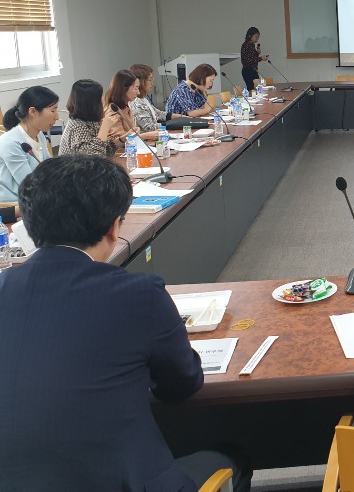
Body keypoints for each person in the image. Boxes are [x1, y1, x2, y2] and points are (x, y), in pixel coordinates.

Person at [0, 155, 251, 491]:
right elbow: (181, 385)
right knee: (232, 457)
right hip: (120, 481)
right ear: (113, 227)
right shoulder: (137, 293)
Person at [0, 86, 58, 203]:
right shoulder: (10, 142)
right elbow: (28, 185)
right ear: (32, 112)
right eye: (53, 110)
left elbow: (49, 167)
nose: (57, 117)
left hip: (38, 196)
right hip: (17, 203)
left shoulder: (39, 134)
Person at [59, 79, 124, 157]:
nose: (102, 100)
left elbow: (104, 150)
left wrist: (122, 139)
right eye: (100, 98)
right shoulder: (78, 127)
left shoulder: (90, 121)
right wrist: (104, 129)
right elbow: (92, 158)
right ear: (92, 102)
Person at [129, 63, 186, 133]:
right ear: (141, 82)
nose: (152, 83)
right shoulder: (137, 103)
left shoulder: (143, 99)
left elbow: (159, 114)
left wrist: (181, 117)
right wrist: (173, 124)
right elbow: (149, 127)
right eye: (150, 80)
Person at [104, 68, 151, 139]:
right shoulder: (112, 112)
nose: (138, 92)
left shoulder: (126, 107)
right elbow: (116, 142)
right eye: (136, 88)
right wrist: (146, 136)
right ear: (124, 89)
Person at [241, 26, 269, 91]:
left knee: (256, 89)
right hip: (248, 71)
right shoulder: (247, 45)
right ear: (250, 36)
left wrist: (257, 53)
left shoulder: (252, 45)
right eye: (256, 37)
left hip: (252, 70)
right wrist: (261, 58)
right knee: (252, 90)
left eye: (258, 37)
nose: (257, 38)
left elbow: (252, 57)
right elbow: (248, 60)